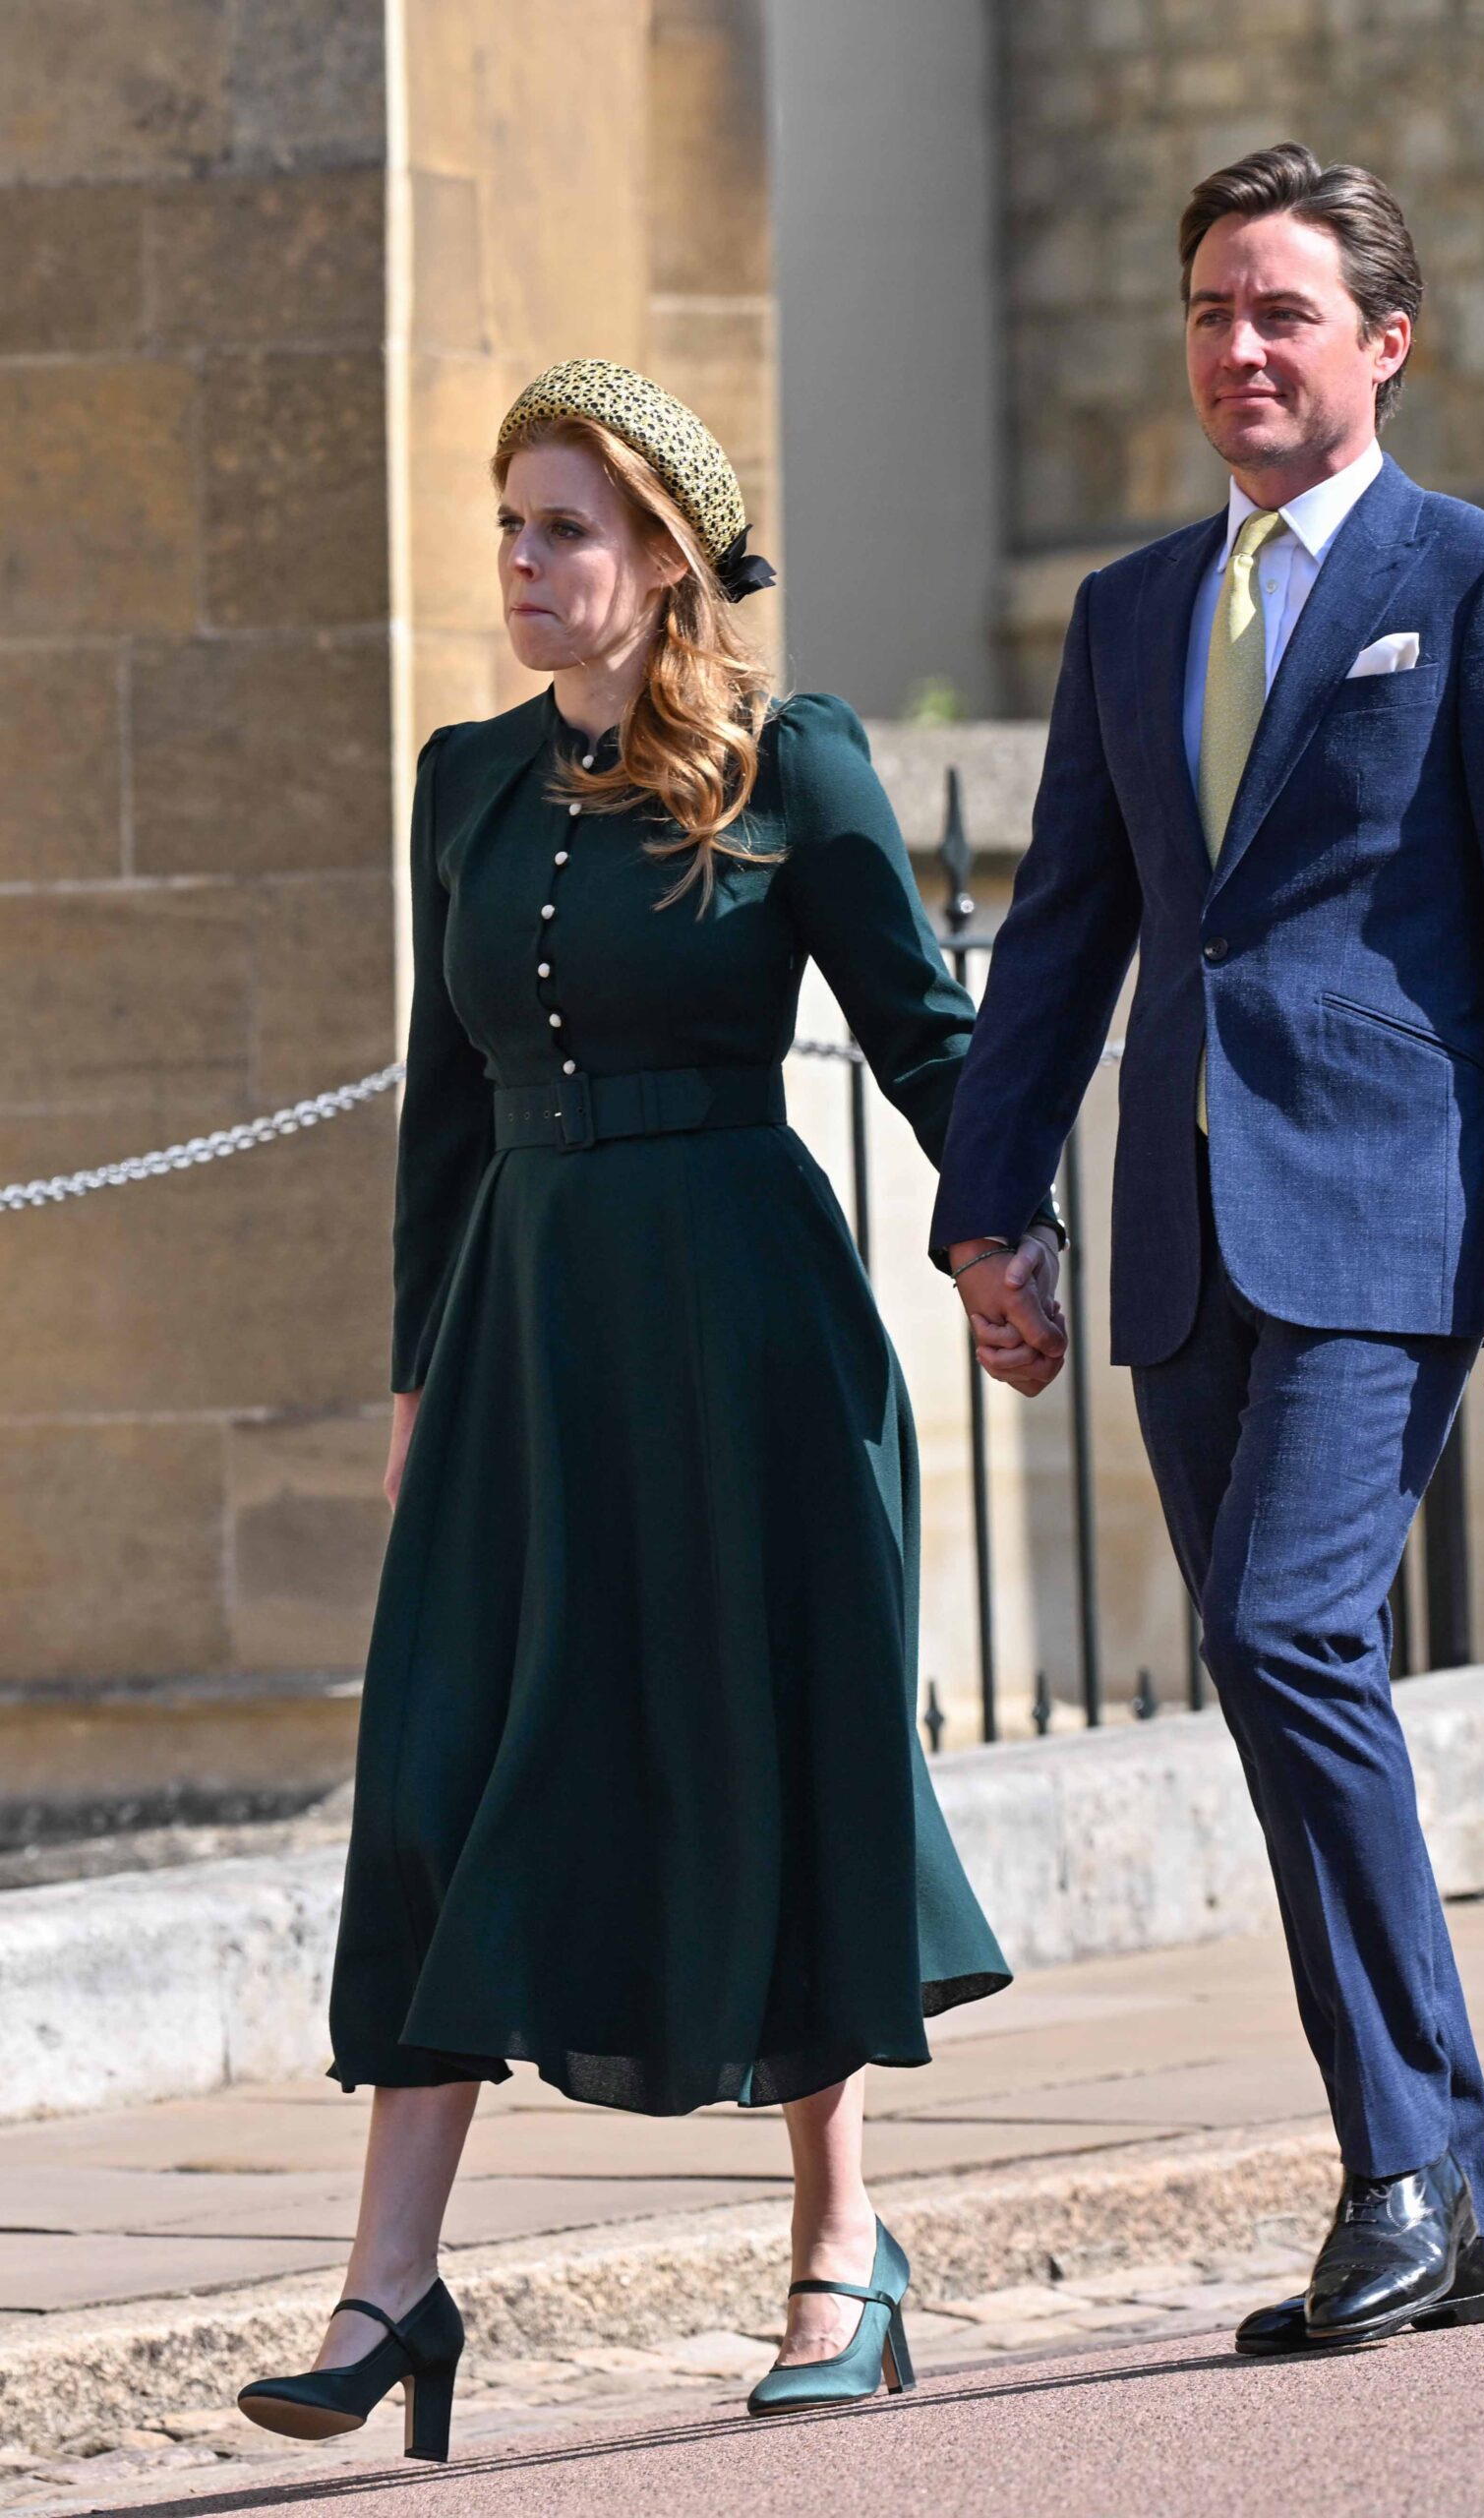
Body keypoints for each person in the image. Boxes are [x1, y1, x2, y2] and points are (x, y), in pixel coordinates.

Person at [238, 360, 1035, 2457]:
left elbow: (932, 1040)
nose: (522, 562)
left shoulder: (797, 763)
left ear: (663, 556)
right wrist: (418, 1380)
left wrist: (1002, 1238)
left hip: (740, 1327)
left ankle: (842, 2249)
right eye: (508, 524)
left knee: (766, 1747)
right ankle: (386, 2288)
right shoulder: (463, 787)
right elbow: (438, 1117)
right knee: (440, 1766)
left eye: (563, 528)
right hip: (521, 1330)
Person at [932, 146, 1484, 2353]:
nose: (1238, 349)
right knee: (1264, 1665)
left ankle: (1398, 2169)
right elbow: (1061, 929)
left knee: (1283, 1627)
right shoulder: (1135, 610)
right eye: (1212, 312)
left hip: (1390, 1221)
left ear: (1381, 345)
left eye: (1283, 314)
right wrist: (982, 1202)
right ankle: (1458, 2190)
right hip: (1177, 1229)